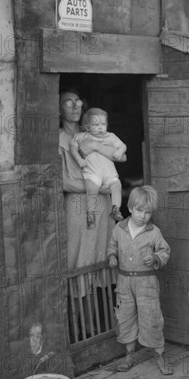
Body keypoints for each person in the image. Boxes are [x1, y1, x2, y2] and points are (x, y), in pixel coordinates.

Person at [59, 89, 127, 338]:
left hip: (102, 209)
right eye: (68, 101)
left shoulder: (93, 135)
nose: (75, 105)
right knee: (80, 265)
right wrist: (102, 189)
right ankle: (80, 332)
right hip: (78, 208)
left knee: (103, 260)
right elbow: (63, 182)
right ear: (58, 109)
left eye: (78, 101)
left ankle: (103, 326)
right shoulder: (59, 140)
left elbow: (117, 158)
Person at [107, 185, 173, 375]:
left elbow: (164, 250)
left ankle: (160, 355)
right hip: (124, 281)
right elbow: (112, 245)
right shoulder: (119, 229)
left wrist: (155, 258)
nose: (143, 216)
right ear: (129, 207)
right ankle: (129, 354)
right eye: (139, 210)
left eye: (148, 212)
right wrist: (112, 256)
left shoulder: (154, 232)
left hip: (146, 283)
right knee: (125, 316)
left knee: (151, 317)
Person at [70, 107, 126, 228]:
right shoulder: (81, 136)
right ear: (87, 127)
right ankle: (91, 215)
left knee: (117, 186)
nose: (100, 127)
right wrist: (79, 160)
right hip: (92, 172)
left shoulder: (110, 136)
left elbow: (123, 146)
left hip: (109, 173)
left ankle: (116, 209)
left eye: (103, 124)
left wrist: (119, 151)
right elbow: (72, 147)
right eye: (95, 125)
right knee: (92, 191)